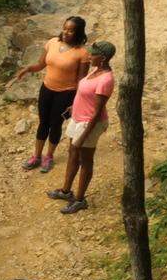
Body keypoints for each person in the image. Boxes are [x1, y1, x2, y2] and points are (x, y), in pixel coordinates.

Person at [9, 16, 90, 173]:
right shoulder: (52, 42)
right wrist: (27, 69)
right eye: (65, 28)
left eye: (71, 30)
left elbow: (81, 81)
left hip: (66, 93)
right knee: (43, 122)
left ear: (78, 33)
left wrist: (76, 102)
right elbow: (41, 64)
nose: (66, 32)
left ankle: (49, 156)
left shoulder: (82, 53)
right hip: (46, 89)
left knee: (55, 124)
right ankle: (36, 156)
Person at [47, 41, 116, 214]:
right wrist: (74, 107)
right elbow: (87, 96)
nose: (89, 56)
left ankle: (79, 199)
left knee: (85, 160)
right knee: (72, 154)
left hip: (89, 124)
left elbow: (97, 111)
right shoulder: (95, 70)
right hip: (78, 118)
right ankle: (65, 191)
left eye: (93, 54)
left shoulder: (106, 79)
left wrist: (84, 135)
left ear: (103, 58)